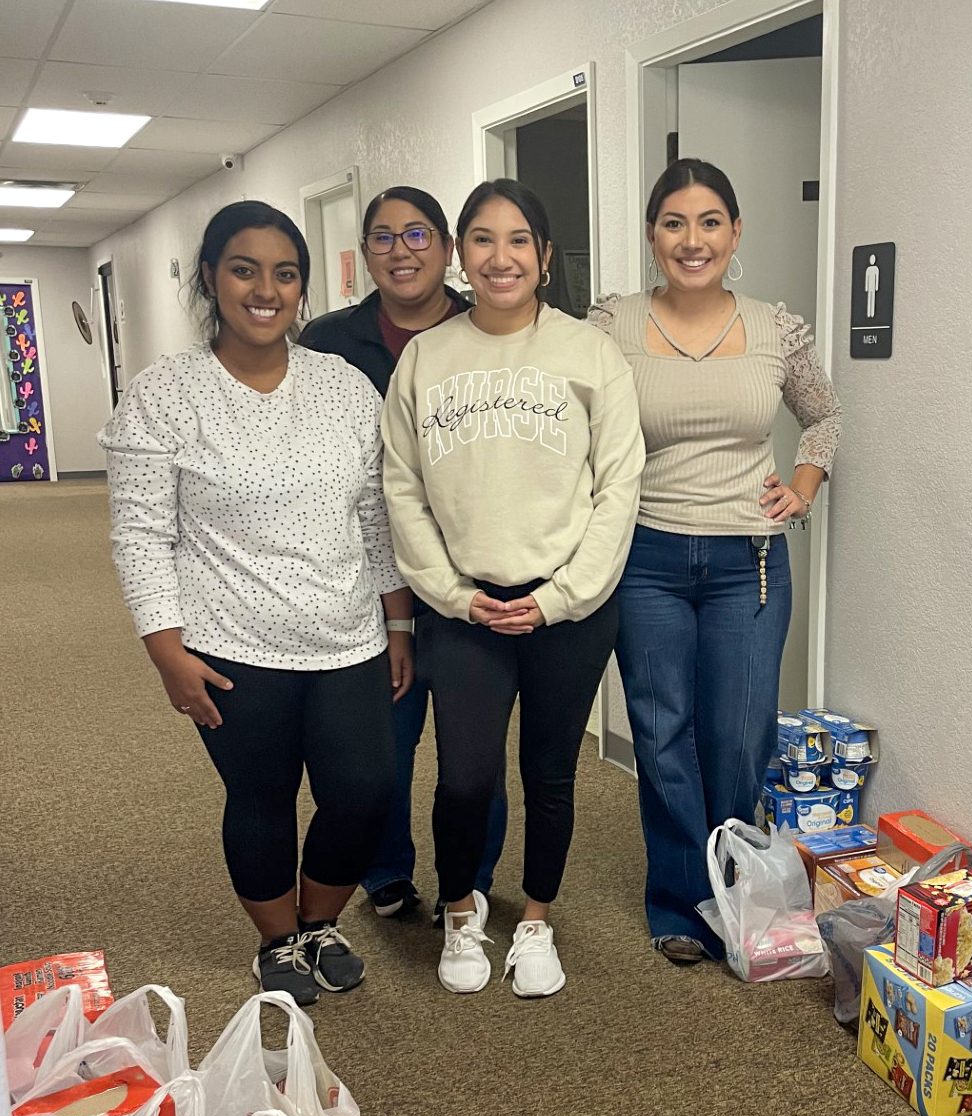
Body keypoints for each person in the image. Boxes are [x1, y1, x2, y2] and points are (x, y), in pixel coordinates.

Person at [99, 199, 411, 1006]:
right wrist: (165, 650)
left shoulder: (342, 387)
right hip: (232, 645)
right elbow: (139, 533)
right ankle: (278, 941)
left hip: (347, 637)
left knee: (365, 791)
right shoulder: (164, 394)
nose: (265, 289)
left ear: (302, 286)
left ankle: (319, 923)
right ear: (212, 277)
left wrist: (397, 618)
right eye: (245, 269)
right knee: (263, 797)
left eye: (284, 272)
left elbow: (374, 514)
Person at [382, 179, 644, 998]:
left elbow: (619, 485)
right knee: (463, 776)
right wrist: (450, 594)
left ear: (542, 257)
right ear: (461, 253)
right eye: (483, 240)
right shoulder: (426, 357)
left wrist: (563, 596)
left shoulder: (590, 352)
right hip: (463, 610)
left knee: (551, 774)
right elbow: (401, 488)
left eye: (519, 240)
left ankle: (534, 918)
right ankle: (461, 912)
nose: (501, 257)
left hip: (569, 609)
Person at [589, 158, 842, 964]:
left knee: (738, 735)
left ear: (735, 232)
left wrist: (801, 486)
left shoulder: (776, 327)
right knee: (662, 733)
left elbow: (823, 416)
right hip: (646, 555)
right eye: (673, 223)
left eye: (708, 223)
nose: (690, 240)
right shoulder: (610, 324)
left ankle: (738, 892)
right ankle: (676, 899)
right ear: (652, 234)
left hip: (750, 562)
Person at [299, 184, 508, 923]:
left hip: (472, 568)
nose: (401, 251)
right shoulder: (324, 343)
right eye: (383, 238)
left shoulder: (491, 324)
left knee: (472, 748)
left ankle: (473, 876)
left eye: (417, 234)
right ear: (365, 256)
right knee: (381, 740)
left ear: (446, 249)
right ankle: (384, 870)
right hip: (364, 572)